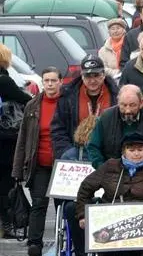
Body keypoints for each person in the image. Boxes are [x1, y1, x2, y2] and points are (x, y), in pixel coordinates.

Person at [73, 134, 143, 256]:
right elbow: (86, 188)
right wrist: (82, 215)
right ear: (123, 151)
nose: (136, 154)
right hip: (111, 221)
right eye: (131, 150)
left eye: (140, 150)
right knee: (70, 209)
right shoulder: (110, 166)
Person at [11, 67, 61, 253]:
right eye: (46, 80)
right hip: (38, 163)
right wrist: (17, 170)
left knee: (62, 206)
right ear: (42, 82)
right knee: (38, 204)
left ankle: (63, 241)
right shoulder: (32, 106)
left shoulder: (67, 104)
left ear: (60, 82)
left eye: (53, 80)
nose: (49, 84)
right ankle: (35, 244)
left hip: (62, 165)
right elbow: (23, 139)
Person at [51, 54, 119, 160]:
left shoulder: (117, 95)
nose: (92, 80)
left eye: (96, 75)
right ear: (82, 76)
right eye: (88, 76)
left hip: (107, 156)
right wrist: (67, 152)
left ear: (103, 74)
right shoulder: (68, 96)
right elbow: (58, 129)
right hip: (77, 154)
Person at [86, 85, 143, 169]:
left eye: (132, 105)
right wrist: (102, 168)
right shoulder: (106, 117)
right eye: (123, 105)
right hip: (113, 174)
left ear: (141, 103)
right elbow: (93, 146)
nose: (128, 110)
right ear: (118, 103)